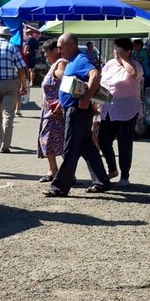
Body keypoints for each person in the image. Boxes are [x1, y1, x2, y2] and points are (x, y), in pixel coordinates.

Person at [44, 32, 111, 197]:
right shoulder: (74, 61)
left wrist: (86, 99)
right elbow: (72, 85)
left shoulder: (80, 59)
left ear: (71, 45)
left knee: (70, 148)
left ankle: (59, 187)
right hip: (75, 109)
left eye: (60, 47)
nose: (59, 51)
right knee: (87, 147)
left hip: (77, 111)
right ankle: (101, 181)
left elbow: (95, 75)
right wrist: (62, 102)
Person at [97, 38, 142, 187]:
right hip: (108, 109)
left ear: (128, 51)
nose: (115, 53)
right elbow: (103, 84)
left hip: (126, 111)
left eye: (119, 50)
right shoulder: (109, 64)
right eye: (115, 50)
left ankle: (125, 176)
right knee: (103, 140)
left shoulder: (135, 66)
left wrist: (123, 58)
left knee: (124, 145)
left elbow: (133, 74)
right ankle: (112, 168)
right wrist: (97, 104)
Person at [0, 26, 28, 153]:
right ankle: (5, 144)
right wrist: (23, 86)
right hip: (10, 84)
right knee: (8, 114)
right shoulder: (13, 48)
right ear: (9, 37)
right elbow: (21, 69)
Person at [37, 38, 68, 183]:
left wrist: (61, 103)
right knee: (54, 141)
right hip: (51, 110)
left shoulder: (61, 63)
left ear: (55, 50)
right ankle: (60, 171)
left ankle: (56, 171)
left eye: (46, 52)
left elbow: (66, 81)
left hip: (56, 111)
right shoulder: (56, 64)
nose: (44, 55)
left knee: (51, 140)